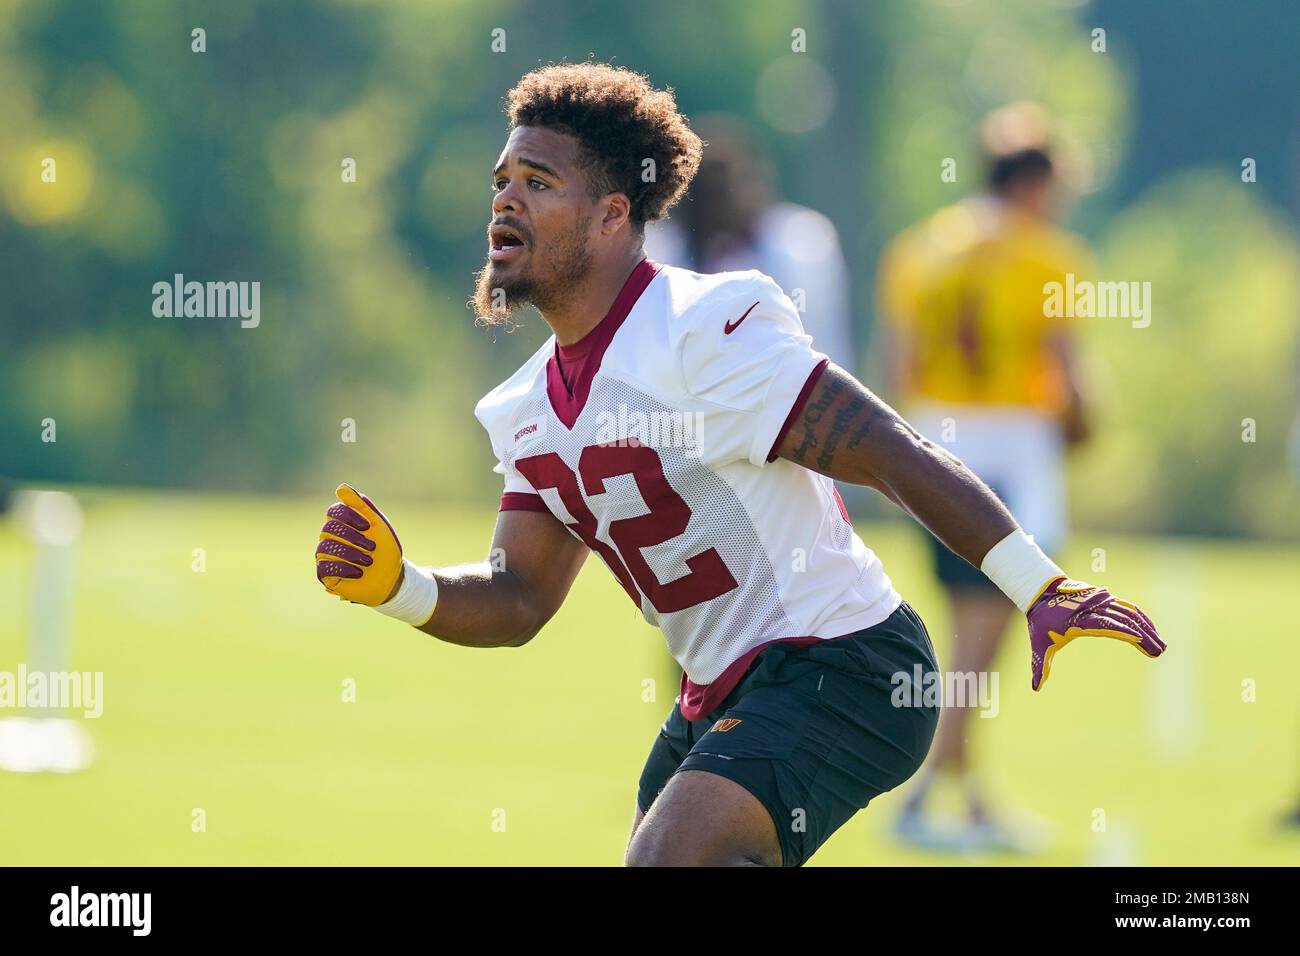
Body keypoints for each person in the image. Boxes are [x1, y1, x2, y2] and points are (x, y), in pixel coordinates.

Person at [314, 65, 1164, 867]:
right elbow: (522, 595)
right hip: (714, 693)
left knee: (669, 856)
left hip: (847, 661)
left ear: (614, 214)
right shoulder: (524, 406)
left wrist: (1037, 585)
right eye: (502, 180)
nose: (505, 200)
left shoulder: (706, 326)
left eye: (538, 183)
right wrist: (402, 586)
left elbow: (892, 453)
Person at [877, 104, 1094, 853]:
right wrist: (1082, 423)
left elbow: (897, 367)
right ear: (1035, 180)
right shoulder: (1049, 256)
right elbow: (1065, 377)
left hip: (933, 444)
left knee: (973, 633)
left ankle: (966, 800)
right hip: (1014, 454)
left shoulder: (921, 248)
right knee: (984, 637)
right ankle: (925, 793)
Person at [644, 115, 856, 373]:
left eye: (725, 191)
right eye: (709, 195)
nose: (720, 206)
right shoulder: (663, 250)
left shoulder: (798, 242)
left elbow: (816, 333)